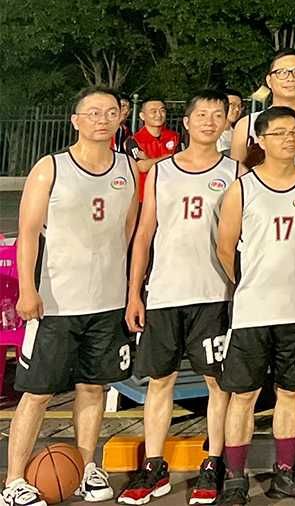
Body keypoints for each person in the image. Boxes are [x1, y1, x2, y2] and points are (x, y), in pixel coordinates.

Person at [2, 87, 139, 506]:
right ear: (75, 120)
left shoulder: (128, 168)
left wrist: (128, 292)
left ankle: (85, 467)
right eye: (92, 112)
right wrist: (28, 290)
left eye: (110, 112)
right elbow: (28, 233)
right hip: (56, 302)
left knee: (93, 388)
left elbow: (128, 232)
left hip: (107, 302)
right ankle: (13, 481)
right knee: (38, 393)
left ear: (120, 118)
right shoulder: (51, 167)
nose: (102, 119)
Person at [120, 91, 241, 506]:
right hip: (165, 292)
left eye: (217, 114)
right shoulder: (161, 171)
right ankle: (154, 465)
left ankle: (214, 462)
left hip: (216, 293)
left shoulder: (236, 171)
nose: (209, 120)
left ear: (226, 122)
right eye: (201, 114)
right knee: (160, 380)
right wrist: (135, 293)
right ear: (186, 123)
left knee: (217, 383)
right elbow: (144, 234)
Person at [215, 106, 295, 505]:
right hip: (253, 312)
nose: (289, 139)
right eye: (279, 133)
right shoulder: (242, 188)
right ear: (260, 140)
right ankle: (234, 478)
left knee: (291, 394)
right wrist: (250, 285)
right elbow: (225, 248)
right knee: (243, 396)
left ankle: (285, 471)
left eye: (294, 131)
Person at [229, 49, 295, 178]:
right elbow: (235, 176)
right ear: (269, 81)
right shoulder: (247, 125)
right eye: (282, 72)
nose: (291, 78)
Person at [129, 98, 181, 197]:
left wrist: (149, 160)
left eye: (162, 111)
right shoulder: (134, 140)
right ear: (142, 116)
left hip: (170, 193)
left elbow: (181, 162)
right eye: (153, 111)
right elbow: (142, 167)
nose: (159, 115)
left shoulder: (176, 137)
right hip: (144, 196)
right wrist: (169, 157)